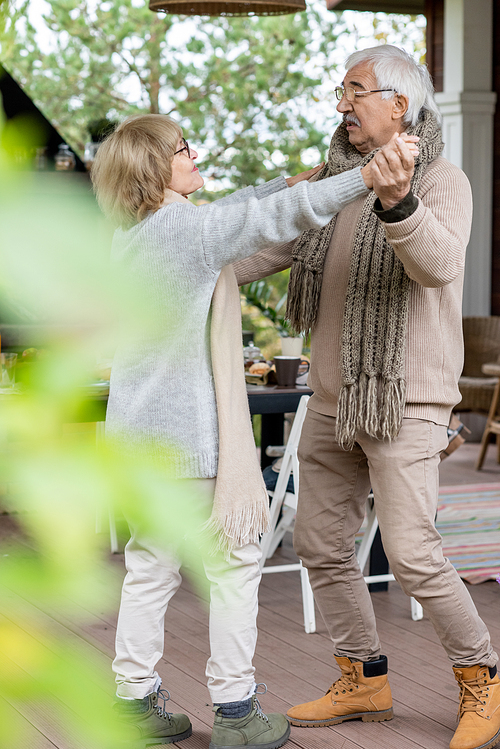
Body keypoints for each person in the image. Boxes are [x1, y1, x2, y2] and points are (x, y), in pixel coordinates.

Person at [90, 113, 416, 749]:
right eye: (182, 148)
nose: (194, 152)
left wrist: (296, 177)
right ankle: (237, 710)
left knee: (149, 567)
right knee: (236, 567)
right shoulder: (188, 233)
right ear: (157, 169)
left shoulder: (133, 236)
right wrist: (361, 180)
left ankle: (131, 702)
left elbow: (238, 210)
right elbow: (269, 222)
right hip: (189, 445)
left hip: (137, 444)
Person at [233, 45, 500, 749]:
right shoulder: (333, 182)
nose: (342, 101)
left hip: (407, 401)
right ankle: (364, 676)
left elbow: (439, 264)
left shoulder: (443, 181)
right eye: (342, 88)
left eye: (356, 89)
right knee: (322, 543)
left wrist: (396, 197)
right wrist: (191, 249)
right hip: (330, 397)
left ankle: (483, 676)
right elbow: (262, 250)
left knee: (412, 554)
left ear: (398, 105)